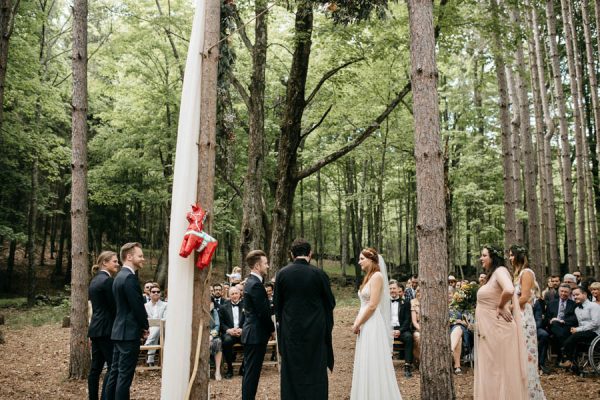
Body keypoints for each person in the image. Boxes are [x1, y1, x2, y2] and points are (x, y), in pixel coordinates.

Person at [274, 238, 335, 400]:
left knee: (292, 368)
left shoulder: (282, 274)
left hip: (291, 330)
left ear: (291, 254)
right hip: (315, 331)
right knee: (316, 367)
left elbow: (277, 305)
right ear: (310, 253)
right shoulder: (319, 274)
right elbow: (331, 302)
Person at [473, 245, 527, 400]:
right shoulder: (491, 275)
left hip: (499, 330)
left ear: (492, 257)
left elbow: (509, 290)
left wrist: (501, 305)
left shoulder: (500, 271)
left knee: (500, 370)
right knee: (492, 370)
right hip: (490, 332)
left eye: (484, 255)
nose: (481, 258)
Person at [350, 248, 401, 399]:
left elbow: (372, 305)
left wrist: (358, 323)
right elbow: (364, 305)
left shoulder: (377, 276)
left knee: (373, 359)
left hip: (371, 323)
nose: (359, 262)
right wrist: (358, 322)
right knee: (365, 360)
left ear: (371, 260)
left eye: (361, 259)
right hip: (365, 323)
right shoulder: (368, 277)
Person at [105, 242, 149, 400]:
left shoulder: (118, 277)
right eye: (140, 256)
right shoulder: (129, 278)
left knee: (115, 374)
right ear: (129, 257)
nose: (143, 259)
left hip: (118, 331)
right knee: (124, 377)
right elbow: (137, 307)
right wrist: (145, 326)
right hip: (128, 333)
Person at [509, 245, 545, 399]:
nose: (510, 258)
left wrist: (507, 307)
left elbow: (524, 298)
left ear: (518, 256)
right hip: (517, 314)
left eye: (511, 255)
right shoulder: (517, 275)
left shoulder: (527, 273)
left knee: (526, 352)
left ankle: (530, 393)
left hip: (523, 316)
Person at [241, 250, 275, 400]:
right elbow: (263, 313)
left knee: (251, 372)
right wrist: (272, 329)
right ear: (257, 266)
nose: (267, 266)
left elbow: (263, 309)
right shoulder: (255, 285)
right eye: (265, 263)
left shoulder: (252, 282)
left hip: (253, 334)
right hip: (255, 334)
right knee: (252, 374)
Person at [88, 251, 119, 400]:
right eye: (114, 261)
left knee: (95, 369)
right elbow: (114, 307)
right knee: (113, 366)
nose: (117, 264)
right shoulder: (107, 281)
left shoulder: (94, 280)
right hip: (107, 329)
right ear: (104, 263)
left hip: (95, 329)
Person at [560, 286, 600, 373]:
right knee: (567, 334)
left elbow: (595, 323)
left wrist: (578, 329)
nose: (575, 297)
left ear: (584, 294)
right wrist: (576, 329)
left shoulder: (594, 306)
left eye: (577, 294)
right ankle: (572, 363)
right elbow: (580, 324)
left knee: (575, 336)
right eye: (573, 295)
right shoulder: (577, 309)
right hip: (583, 333)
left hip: (595, 333)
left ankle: (567, 359)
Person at [544, 283, 577, 364]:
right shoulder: (551, 303)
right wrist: (550, 320)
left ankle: (562, 354)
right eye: (561, 291)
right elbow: (546, 318)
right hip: (553, 326)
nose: (563, 293)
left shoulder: (573, 304)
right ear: (558, 292)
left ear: (569, 293)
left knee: (561, 332)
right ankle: (565, 353)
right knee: (555, 323)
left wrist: (564, 321)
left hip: (566, 326)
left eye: (566, 292)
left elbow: (574, 318)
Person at [389, 280, 414, 377]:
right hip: (388, 330)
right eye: (390, 289)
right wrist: (390, 331)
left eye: (394, 288)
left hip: (401, 329)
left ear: (398, 289)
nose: (392, 290)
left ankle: (407, 366)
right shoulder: (384, 303)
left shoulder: (406, 303)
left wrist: (399, 331)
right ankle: (385, 365)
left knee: (409, 337)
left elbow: (408, 320)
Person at [219, 286, 245, 378]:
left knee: (251, 341)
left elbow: (250, 321)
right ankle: (229, 369)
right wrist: (229, 330)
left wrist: (243, 329)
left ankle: (243, 367)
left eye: (236, 293)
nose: (234, 295)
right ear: (229, 296)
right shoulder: (223, 307)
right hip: (230, 333)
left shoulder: (246, 306)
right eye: (232, 294)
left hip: (242, 332)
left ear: (240, 294)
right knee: (226, 342)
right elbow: (221, 323)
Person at [143, 284, 167, 366]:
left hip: (163, 328)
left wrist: (156, 323)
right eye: (153, 292)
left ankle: (148, 344)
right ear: (149, 294)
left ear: (160, 294)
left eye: (158, 292)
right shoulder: (145, 306)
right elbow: (145, 319)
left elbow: (165, 318)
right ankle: (150, 361)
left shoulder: (165, 305)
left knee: (157, 327)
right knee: (155, 330)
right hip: (150, 328)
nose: (156, 293)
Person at [209, 301, 223, 381]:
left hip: (213, 335)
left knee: (218, 342)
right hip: (201, 336)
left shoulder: (214, 312)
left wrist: (211, 335)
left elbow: (217, 326)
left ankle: (217, 371)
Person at [410, 287, 421, 364]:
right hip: (417, 328)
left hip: (431, 328)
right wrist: (422, 330)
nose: (419, 293)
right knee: (418, 337)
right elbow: (414, 322)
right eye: (418, 291)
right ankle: (419, 360)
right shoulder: (413, 302)